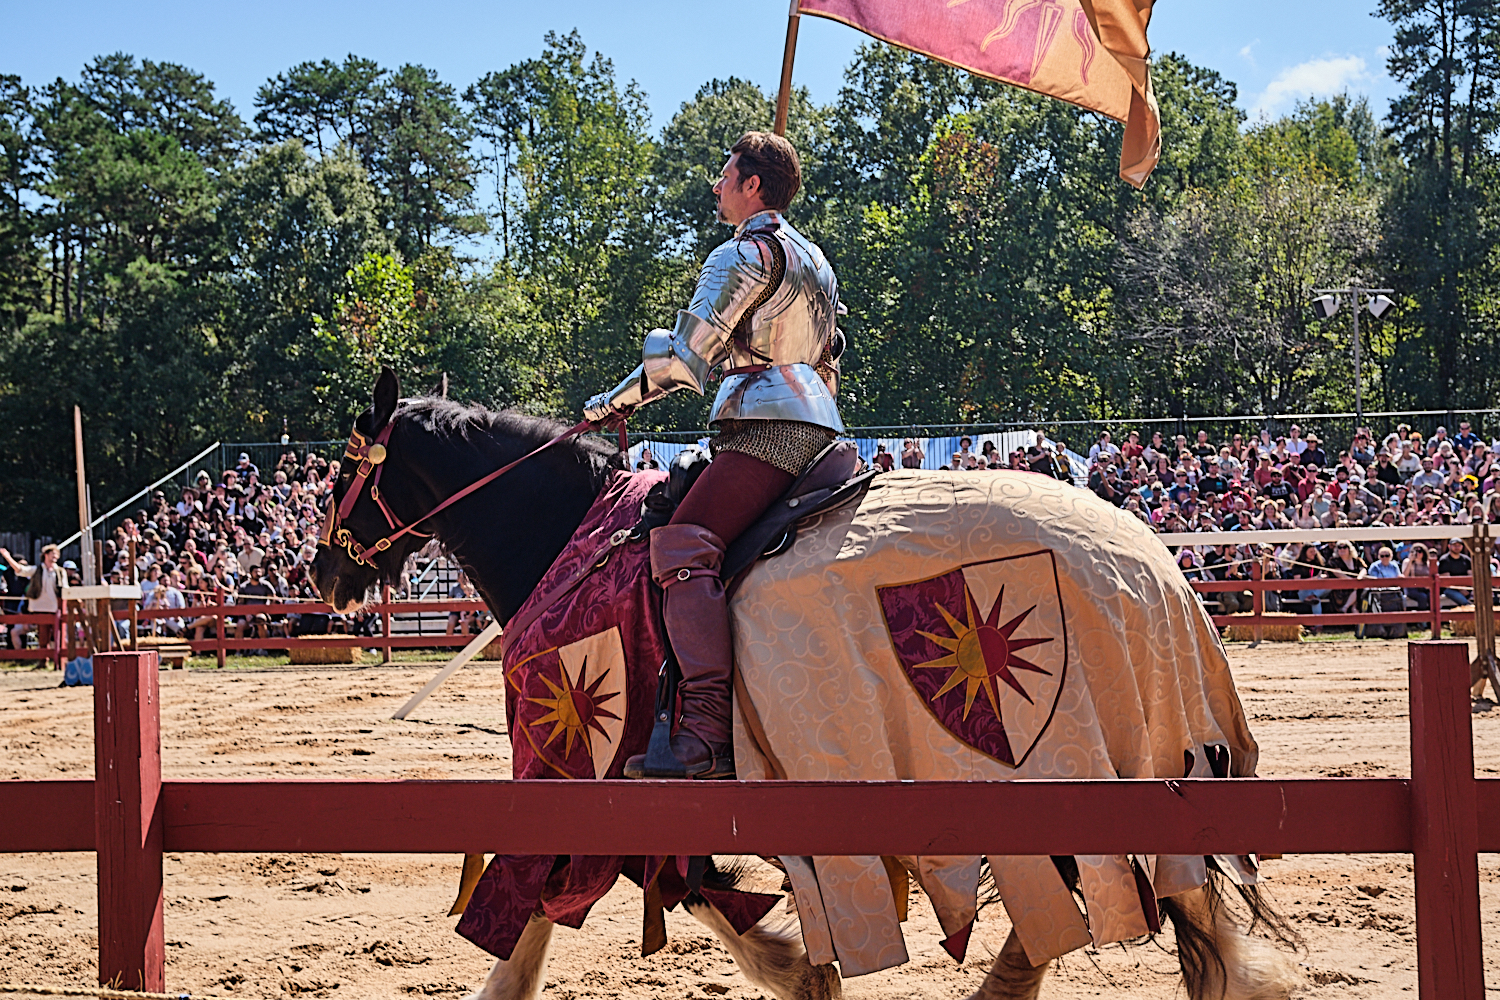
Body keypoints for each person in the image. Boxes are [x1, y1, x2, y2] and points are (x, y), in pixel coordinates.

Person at [583, 131, 842, 780]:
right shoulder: (813, 257)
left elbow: (683, 361)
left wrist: (612, 403)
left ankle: (703, 731)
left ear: (754, 184)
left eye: (725, 176)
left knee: (679, 546)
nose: (717, 186)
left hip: (767, 429)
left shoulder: (741, 255)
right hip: (821, 426)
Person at [1, 545, 62, 652]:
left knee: (58, 637)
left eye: (56, 554)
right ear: (46, 555)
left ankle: (56, 661)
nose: (55, 556)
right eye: (52, 554)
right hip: (41, 609)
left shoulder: (60, 572)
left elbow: (65, 589)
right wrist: (8, 557)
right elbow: (20, 569)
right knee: (43, 638)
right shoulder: (36, 570)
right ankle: (43, 660)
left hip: (55, 608)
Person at [1438, 538, 1473, 608]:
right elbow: (1447, 580)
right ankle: (1469, 608)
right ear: (1449, 546)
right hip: (1450, 589)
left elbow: (1471, 576)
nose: (1457, 547)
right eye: (1454, 545)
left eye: (1459, 545)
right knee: (1462, 600)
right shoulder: (1444, 560)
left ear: (1462, 547)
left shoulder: (1466, 560)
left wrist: (1471, 590)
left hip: (1466, 588)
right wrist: (1460, 589)